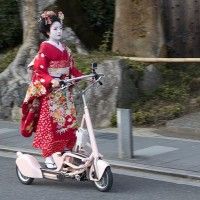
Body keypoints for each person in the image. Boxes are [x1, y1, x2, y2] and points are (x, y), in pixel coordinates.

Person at [20, 11, 83, 169]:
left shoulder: (65, 49)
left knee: (68, 123)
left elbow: (70, 69)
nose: (59, 31)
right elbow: (40, 71)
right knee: (51, 125)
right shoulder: (45, 48)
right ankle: (48, 155)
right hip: (52, 94)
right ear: (47, 31)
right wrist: (51, 80)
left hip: (65, 92)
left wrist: (83, 76)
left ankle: (66, 153)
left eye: (60, 28)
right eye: (55, 29)